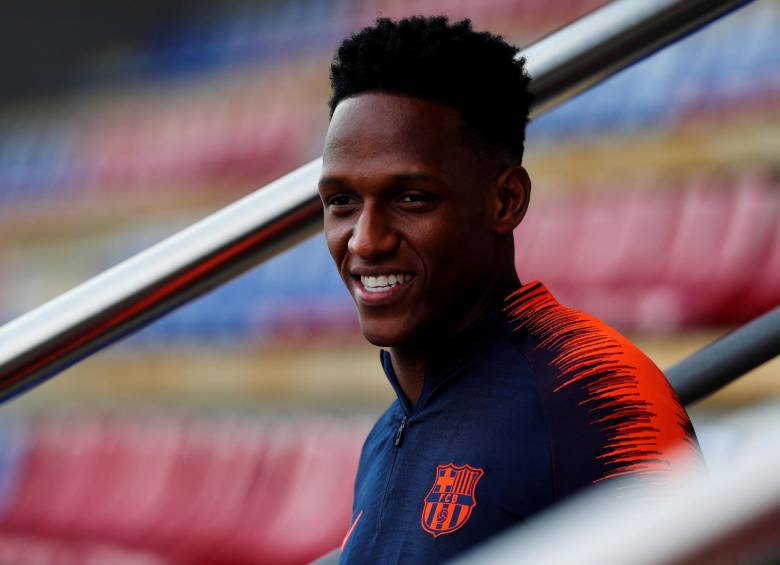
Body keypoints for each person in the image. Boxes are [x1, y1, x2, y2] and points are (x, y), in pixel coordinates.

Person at [317, 15, 701, 564]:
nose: (366, 241)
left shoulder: (594, 389)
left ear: (506, 201)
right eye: (342, 203)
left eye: (412, 199)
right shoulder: (388, 429)